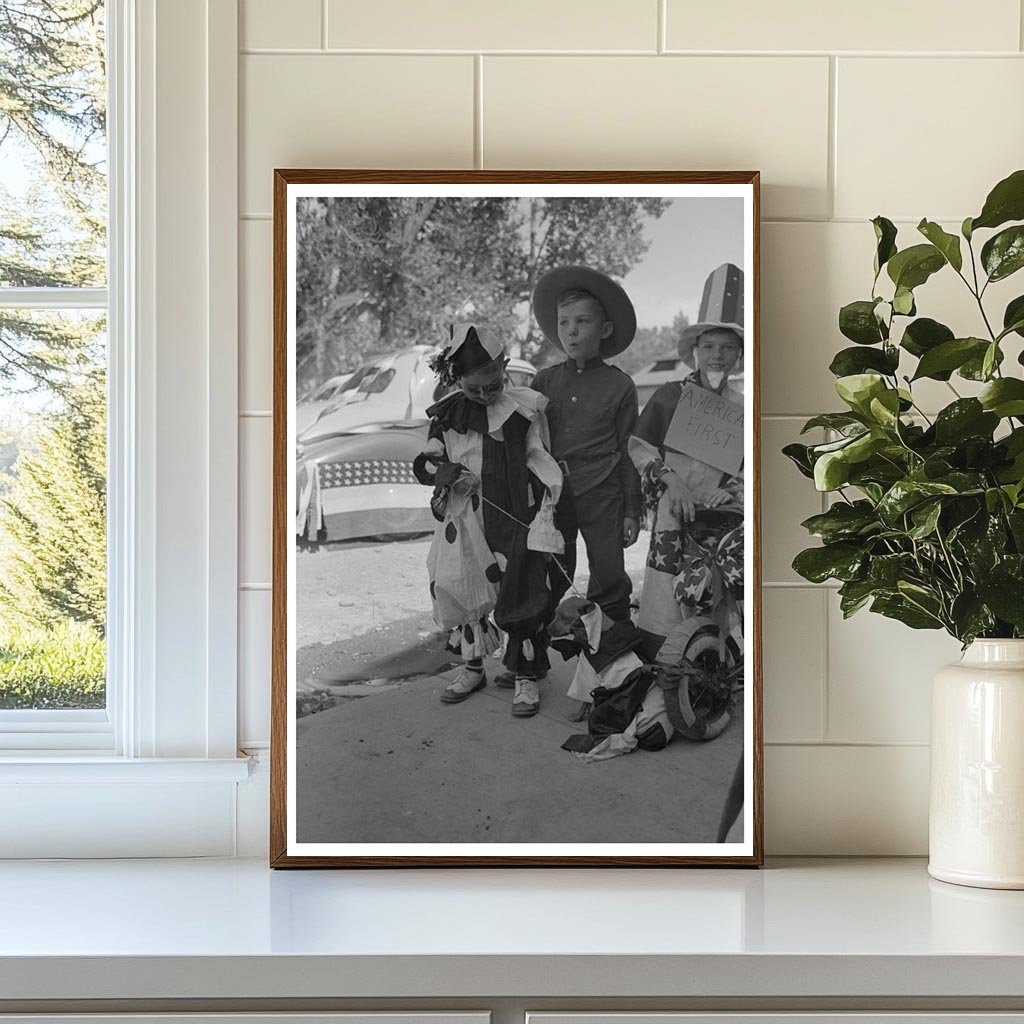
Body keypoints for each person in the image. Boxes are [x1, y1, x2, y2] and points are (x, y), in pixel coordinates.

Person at [413, 324, 562, 718]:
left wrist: (545, 507)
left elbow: (540, 459)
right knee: (458, 582)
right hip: (462, 517)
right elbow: (431, 459)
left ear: (504, 367)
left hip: (511, 514)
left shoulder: (523, 410)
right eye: (473, 388)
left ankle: (525, 674)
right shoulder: (447, 415)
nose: (482, 395)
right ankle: (473, 666)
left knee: (520, 586)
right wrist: (444, 473)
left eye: (491, 384)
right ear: (456, 379)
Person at [629, 262, 745, 658]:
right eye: (709, 346)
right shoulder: (669, 395)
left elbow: (745, 468)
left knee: (714, 591)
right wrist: (670, 479)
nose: (718, 355)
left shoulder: (740, 408)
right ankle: (666, 668)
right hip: (672, 513)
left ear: (739, 355)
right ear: (695, 351)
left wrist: (729, 492)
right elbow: (640, 448)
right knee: (665, 590)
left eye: (728, 347)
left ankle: (712, 667)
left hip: (721, 518)